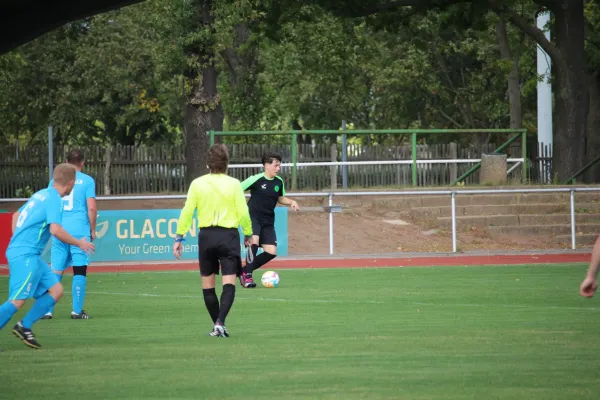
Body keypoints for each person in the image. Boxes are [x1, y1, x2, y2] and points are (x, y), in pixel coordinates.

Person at [0, 164, 95, 349]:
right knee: (18, 300)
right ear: (70, 183)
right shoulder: (54, 200)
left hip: (30, 254)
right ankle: (23, 325)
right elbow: (56, 230)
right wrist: (79, 243)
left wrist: (18, 240)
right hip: (25, 254)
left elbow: (16, 216)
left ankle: (24, 326)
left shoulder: (40, 194)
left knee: (56, 291)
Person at [173, 144, 252, 338]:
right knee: (229, 283)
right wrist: (248, 233)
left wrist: (179, 236)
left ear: (208, 163)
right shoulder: (234, 184)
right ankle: (220, 322)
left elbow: (187, 211)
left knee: (208, 286)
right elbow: (243, 212)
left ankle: (217, 325)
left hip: (206, 237)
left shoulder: (197, 184)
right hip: (228, 236)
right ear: (226, 163)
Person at [42, 149, 97, 320]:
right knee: (79, 270)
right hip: (79, 231)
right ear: (83, 162)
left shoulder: (54, 181)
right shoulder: (88, 181)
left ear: (66, 161)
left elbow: (49, 205)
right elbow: (92, 208)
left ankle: (47, 310)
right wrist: (92, 229)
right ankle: (76, 311)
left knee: (56, 270)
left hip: (60, 230)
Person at [239, 153, 299, 288]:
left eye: (279, 165)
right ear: (266, 165)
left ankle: (244, 270)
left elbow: (281, 198)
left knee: (271, 252)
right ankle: (247, 276)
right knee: (253, 242)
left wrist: (291, 202)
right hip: (253, 217)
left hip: (268, 221)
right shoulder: (256, 179)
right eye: (275, 165)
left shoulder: (279, 181)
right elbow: (237, 189)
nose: (278, 168)